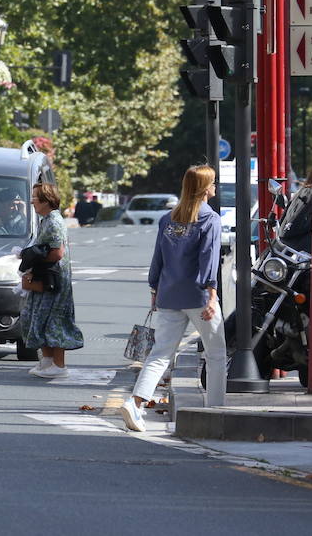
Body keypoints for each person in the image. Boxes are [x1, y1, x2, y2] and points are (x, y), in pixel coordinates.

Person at [122, 165, 226, 432]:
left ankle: (136, 403)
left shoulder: (169, 218)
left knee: (160, 355)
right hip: (199, 295)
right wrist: (212, 296)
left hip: (169, 294)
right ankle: (215, 410)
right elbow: (209, 260)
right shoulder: (210, 219)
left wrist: (155, 289)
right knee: (216, 355)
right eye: (214, 182)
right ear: (205, 189)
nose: (216, 186)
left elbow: (158, 259)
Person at [20, 182, 84, 379]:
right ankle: (47, 361)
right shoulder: (45, 220)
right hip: (45, 275)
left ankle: (59, 364)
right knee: (38, 316)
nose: (32, 202)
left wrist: (32, 260)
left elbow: (56, 253)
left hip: (54, 279)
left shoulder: (54, 222)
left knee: (54, 320)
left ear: (46, 200)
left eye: (35, 198)